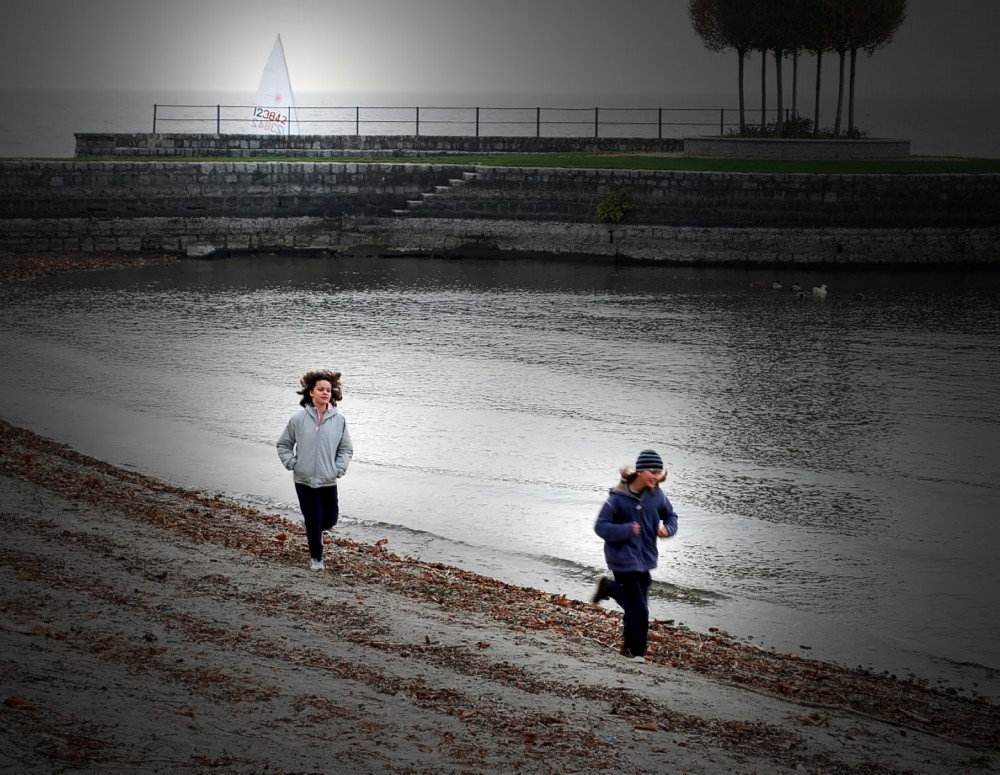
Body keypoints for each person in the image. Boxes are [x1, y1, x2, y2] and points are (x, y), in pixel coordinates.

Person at [592, 448, 678, 662]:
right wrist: (626, 530)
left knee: (637, 607)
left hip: (646, 561)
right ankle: (637, 653)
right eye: (652, 471)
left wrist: (667, 529)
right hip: (621, 561)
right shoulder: (618, 499)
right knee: (640, 609)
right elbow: (600, 527)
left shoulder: (657, 495)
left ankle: (609, 591)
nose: (656, 476)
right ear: (640, 471)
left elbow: (671, 515)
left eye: (659, 472)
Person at [276, 370, 353, 571]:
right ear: (311, 392)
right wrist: (293, 464)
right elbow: (284, 445)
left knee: (331, 519)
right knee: (314, 519)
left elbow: (346, 449)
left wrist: (339, 469)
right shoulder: (298, 419)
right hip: (304, 480)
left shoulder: (339, 420)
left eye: (328, 390)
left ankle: (311, 526)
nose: (325, 393)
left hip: (328, 479)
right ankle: (316, 559)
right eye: (321, 389)